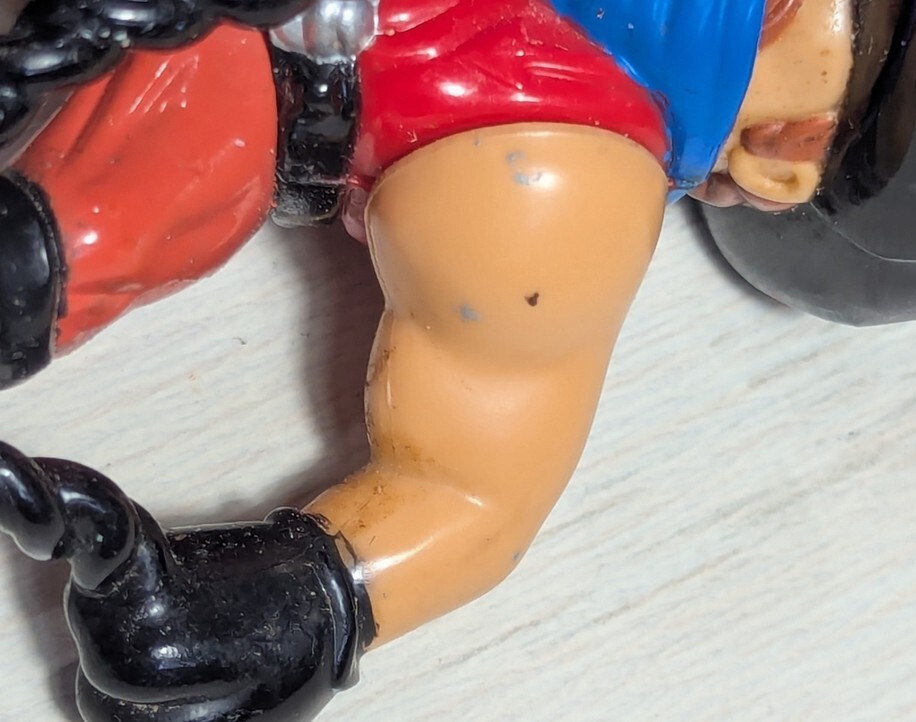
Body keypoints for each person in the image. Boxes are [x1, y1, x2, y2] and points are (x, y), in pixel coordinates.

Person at [0, 1, 859, 720]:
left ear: (784, 154)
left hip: (208, 97)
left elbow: (471, 492)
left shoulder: (557, 178)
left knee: (73, 238)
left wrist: (288, 606)